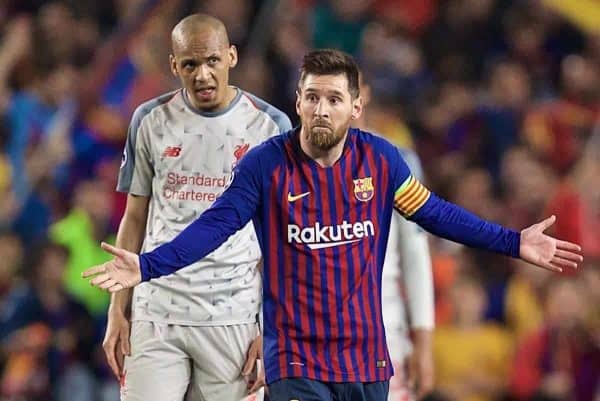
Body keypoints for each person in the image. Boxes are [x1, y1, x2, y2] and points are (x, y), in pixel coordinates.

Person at [83, 49, 583, 401]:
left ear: (356, 108)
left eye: (334, 99)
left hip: (366, 363)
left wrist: (514, 241)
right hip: (296, 360)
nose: (322, 109)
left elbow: (437, 214)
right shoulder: (265, 166)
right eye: (312, 98)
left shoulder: (382, 162)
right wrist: (147, 266)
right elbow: (214, 227)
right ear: (297, 102)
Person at [100, 13, 291, 401]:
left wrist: (273, 329)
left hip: (232, 316)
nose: (202, 74)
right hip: (157, 311)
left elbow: (283, 234)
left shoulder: (272, 126)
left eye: (212, 61)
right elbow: (134, 216)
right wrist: (117, 309)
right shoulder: (149, 120)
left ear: (231, 57)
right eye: (190, 64)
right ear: (174, 65)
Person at [354, 77, 434, 401]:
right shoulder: (288, 165)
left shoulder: (398, 161)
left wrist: (424, 343)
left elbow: (416, 258)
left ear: (365, 94)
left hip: (386, 338)